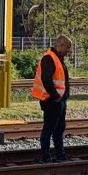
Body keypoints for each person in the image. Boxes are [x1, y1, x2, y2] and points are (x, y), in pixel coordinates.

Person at [32, 35, 71, 163]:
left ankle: (60, 155)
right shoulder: (49, 58)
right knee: (49, 128)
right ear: (60, 45)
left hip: (58, 100)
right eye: (67, 47)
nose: (68, 50)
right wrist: (56, 97)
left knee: (59, 128)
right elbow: (46, 79)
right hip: (51, 101)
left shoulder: (57, 58)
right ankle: (45, 156)